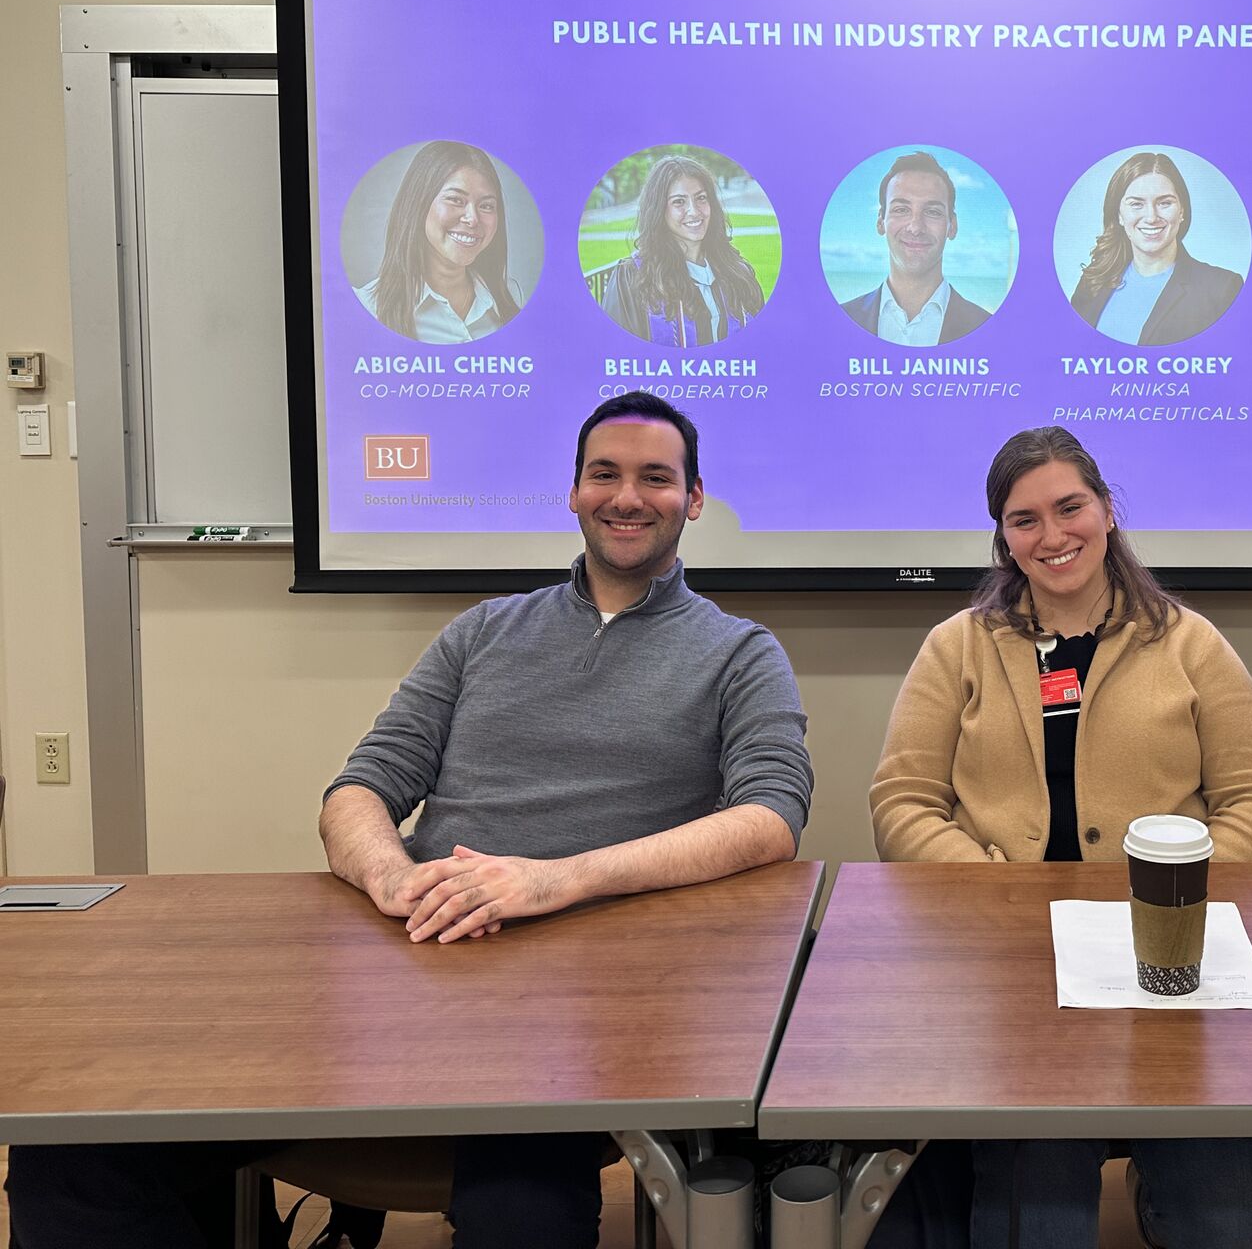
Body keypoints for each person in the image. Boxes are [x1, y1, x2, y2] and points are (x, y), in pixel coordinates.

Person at [4, 391, 814, 1249]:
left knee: (522, 1215)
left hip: (588, 1002)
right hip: (413, 962)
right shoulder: (483, 632)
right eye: (603, 474)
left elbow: (770, 818)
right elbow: (359, 790)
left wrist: (555, 880)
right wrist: (392, 877)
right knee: (77, 1157)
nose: (626, 496)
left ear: (692, 499)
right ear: (573, 491)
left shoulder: (740, 651)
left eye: (656, 478)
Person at [869, 425, 1252, 1249]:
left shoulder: (1189, 642)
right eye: (1023, 519)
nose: (1052, 534)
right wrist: (998, 888)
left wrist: (1170, 898)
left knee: (1231, 1212)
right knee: (1035, 1222)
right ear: (1003, 536)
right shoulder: (955, 647)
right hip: (1010, 975)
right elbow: (902, 804)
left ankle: (1158, 1174)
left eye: (1070, 507)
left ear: (1106, 510)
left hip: (1174, 966)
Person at [355, 139, 525, 343]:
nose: (472, 219)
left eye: (486, 206)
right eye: (456, 200)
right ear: (418, 204)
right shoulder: (368, 307)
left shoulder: (512, 297)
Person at [1068, 151, 1244, 345]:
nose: (1151, 217)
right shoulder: (1093, 281)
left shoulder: (1221, 289)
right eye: (1136, 204)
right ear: (1119, 215)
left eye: (1164, 203)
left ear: (1182, 211)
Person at [600, 153, 768, 347]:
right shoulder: (633, 279)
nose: (694, 211)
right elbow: (618, 356)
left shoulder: (738, 274)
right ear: (659, 210)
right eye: (679, 201)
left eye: (701, 198)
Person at [839, 151, 992, 345]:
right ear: (880, 222)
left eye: (932, 211)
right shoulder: (841, 319)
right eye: (901, 210)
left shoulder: (987, 326)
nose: (916, 227)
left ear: (952, 226)